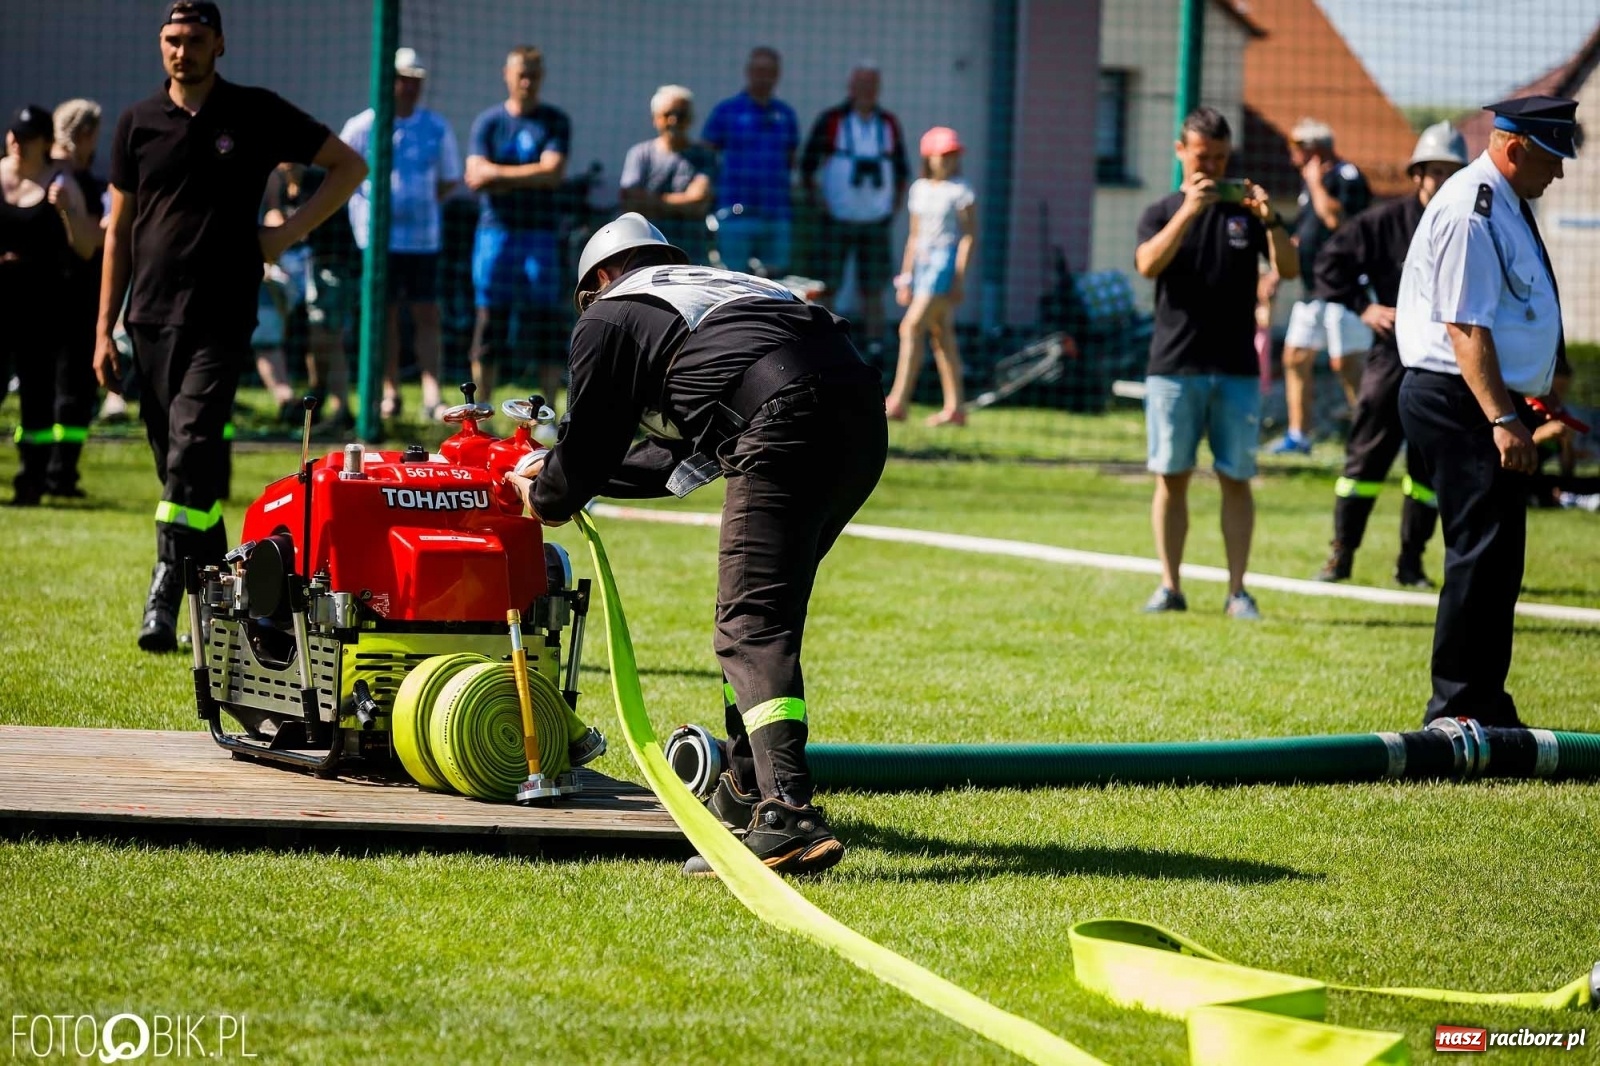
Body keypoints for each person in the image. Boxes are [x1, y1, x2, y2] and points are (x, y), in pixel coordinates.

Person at [503, 213, 886, 876]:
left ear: (598, 278)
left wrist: (546, 492)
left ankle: (787, 816)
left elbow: (591, 444)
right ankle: (743, 787)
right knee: (767, 616)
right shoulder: (716, 293)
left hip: (782, 415)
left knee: (748, 625)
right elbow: (671, 461)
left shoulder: (609, 314)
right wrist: (565, 472)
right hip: (856, 410)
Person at [96, 0, 367, 652]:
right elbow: (118, 232)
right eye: (170, 39)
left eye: (192, 39)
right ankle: (234, 589)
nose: (179, 50)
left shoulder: (255, 111)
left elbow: (348, 166)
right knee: (182, 472)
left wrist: (285, 234)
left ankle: (166, 582)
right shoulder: (137, 123)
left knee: (190, 447)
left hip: (221, 315)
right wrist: (103, 327)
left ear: (219, 44)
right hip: (149, 315)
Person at [1395, 94, 1577, 727]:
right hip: (1458, 399)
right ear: (1515, 147)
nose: (1558, 172)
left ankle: (1486, 702)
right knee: (1480, 552)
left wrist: (1533, 391)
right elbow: (1465, 327)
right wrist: (1503, 418)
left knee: (1499, 559)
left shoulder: (1506, 202)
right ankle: (1457, 708)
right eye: (1552, 157)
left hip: (1480, 396)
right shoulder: (1473, 209)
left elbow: (1509, 317)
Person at [1133, 107, 1298, 619]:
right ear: (1181, 152)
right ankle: (1170, 586)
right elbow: (1146, 264)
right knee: (1171, 477)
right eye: (1204, 157)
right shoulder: (1161, 210)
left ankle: (1237, 591)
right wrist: (1189, 211)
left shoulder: (1246, 213)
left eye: (1222, 159)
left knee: (1236, 478)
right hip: (1174, 367)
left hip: (1235, 368)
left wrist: (1270, 217)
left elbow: (1289, 268)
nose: (1214, 168)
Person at [1313, 123, 1468, 588]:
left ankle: (1411, 563)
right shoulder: (1382, 224)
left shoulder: (1469, 226)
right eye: (1432, 171)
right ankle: (1340, 556)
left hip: (1444, 363)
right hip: (1392, 357)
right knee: (1365, 459)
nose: (1440, 181)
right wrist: (1364, 307)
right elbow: (1328, 264)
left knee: (1427, 472)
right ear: (1416, 175)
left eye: (1450, 172)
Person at [341, 46, 461, 421]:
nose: (409, 88)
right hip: (377, 244)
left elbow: (447, 180)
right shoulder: (362, 126)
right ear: (388, 81)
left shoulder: (436, 127)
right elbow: (342, 174)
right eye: (403, 80)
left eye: (415, 81)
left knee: (427, 313)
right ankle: (389, 392)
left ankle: (431, 393)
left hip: (423, 240)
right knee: (385, 316)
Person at [465, 45, 570, 409]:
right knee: (489, 318)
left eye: (534, 75)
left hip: (539, 234)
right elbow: (474, 177)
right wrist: (531, 175)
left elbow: (553, 173)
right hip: (496, 232)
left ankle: (549, 411)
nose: (527, 81)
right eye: (521, 73)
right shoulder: (489, 123)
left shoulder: (554, 121)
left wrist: (498, 174)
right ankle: (482, 409)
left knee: (546, 318)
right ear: (507, 75)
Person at [2, 104, 96, 507]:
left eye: (26, 138)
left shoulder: (61, 183)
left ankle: (31, 480)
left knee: (37, 397)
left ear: (44, 143)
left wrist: (67, 210)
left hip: (40, 308)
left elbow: (88, 246)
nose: (17, 144)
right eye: (13, 136)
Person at [1269, 118, 1372, 455]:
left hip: (1345, 290)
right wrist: (1275, 274)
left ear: (1314, 149)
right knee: (1295, 357)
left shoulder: (1346, 177)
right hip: (1312, 290)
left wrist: (1315, 184)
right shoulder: (1308, 185)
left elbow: (1336, 221)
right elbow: (1305, 234)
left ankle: (1369, 438)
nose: (1291, 157)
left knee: (1347, 365)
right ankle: (1300, 436)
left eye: (1296, 149)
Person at [799, 63, 910, 356]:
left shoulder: (887, 123)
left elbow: (901, 169)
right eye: (861, 85)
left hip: (875, 220)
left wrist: (893, 205)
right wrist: (818, 202)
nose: (866, 92)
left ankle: (874, 349)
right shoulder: (832, 120)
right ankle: (824, 343)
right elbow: (807, 166)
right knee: (827, 285)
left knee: (874, 288)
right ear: (851, 87)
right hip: (836, 218)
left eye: (872, 86)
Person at [883, 126, 976, 427]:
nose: (948, 160)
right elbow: (914, 235)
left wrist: (959, 277)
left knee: (911, 326)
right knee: (941, 335)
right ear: (929, 157)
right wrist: (907, 276)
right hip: (922, 263)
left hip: (943, 263)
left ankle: (897, 400)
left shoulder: (961, 191)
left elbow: (969, 236)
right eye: (943, 154)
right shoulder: (919, 189)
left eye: (953, 155)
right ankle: (956, 408)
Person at [46, 98, 108, 499]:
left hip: (41, 296)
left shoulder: (33, 177)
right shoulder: (81, 185)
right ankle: (60, 472)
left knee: (44, 388)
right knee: (72, 390)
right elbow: (91, 243)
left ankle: (42, 469)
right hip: (77, 299)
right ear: (86, 136)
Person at [702, 47, 800, 276]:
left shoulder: (785, 115)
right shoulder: (727, 111)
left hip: (775, 213)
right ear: (748, 72)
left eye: (769, 71)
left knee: (775, 284)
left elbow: (791, 158)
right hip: (734, 213)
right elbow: (706, 154)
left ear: (777, 75)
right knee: (732, 282)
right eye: (758, 70)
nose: (763, 76)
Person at [618, 85, 715, 265]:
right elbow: (630, 203)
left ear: (691, 119)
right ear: (655, 118)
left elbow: (698, 204)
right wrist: (681, 203)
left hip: (690, 253)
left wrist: (651, 202)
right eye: (668, 114)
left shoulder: (703, 156)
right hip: (647, 252)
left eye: (681, 114)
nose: (674, 120)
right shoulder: (640, 154)